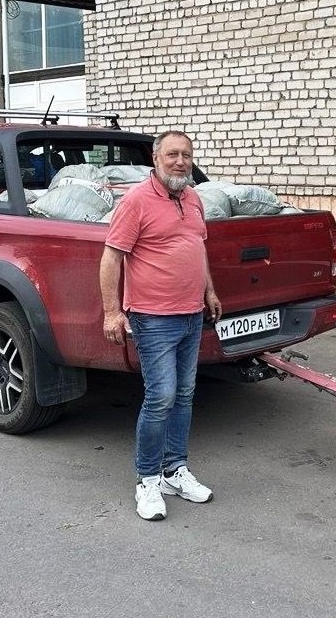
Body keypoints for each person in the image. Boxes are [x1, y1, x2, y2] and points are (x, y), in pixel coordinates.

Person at [99, 130, 223, 521]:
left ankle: (175, 471)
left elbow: (197, 247)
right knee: (161, 397)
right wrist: (111, 312)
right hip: (152, 317)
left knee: (185, 395)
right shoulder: (136, 201)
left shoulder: (192, 198)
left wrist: (209, 292)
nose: (180, 162)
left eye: (186, 155)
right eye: (172, 154)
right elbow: (111, 257)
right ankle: (147, 480)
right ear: (156, 158)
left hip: (190, 314)